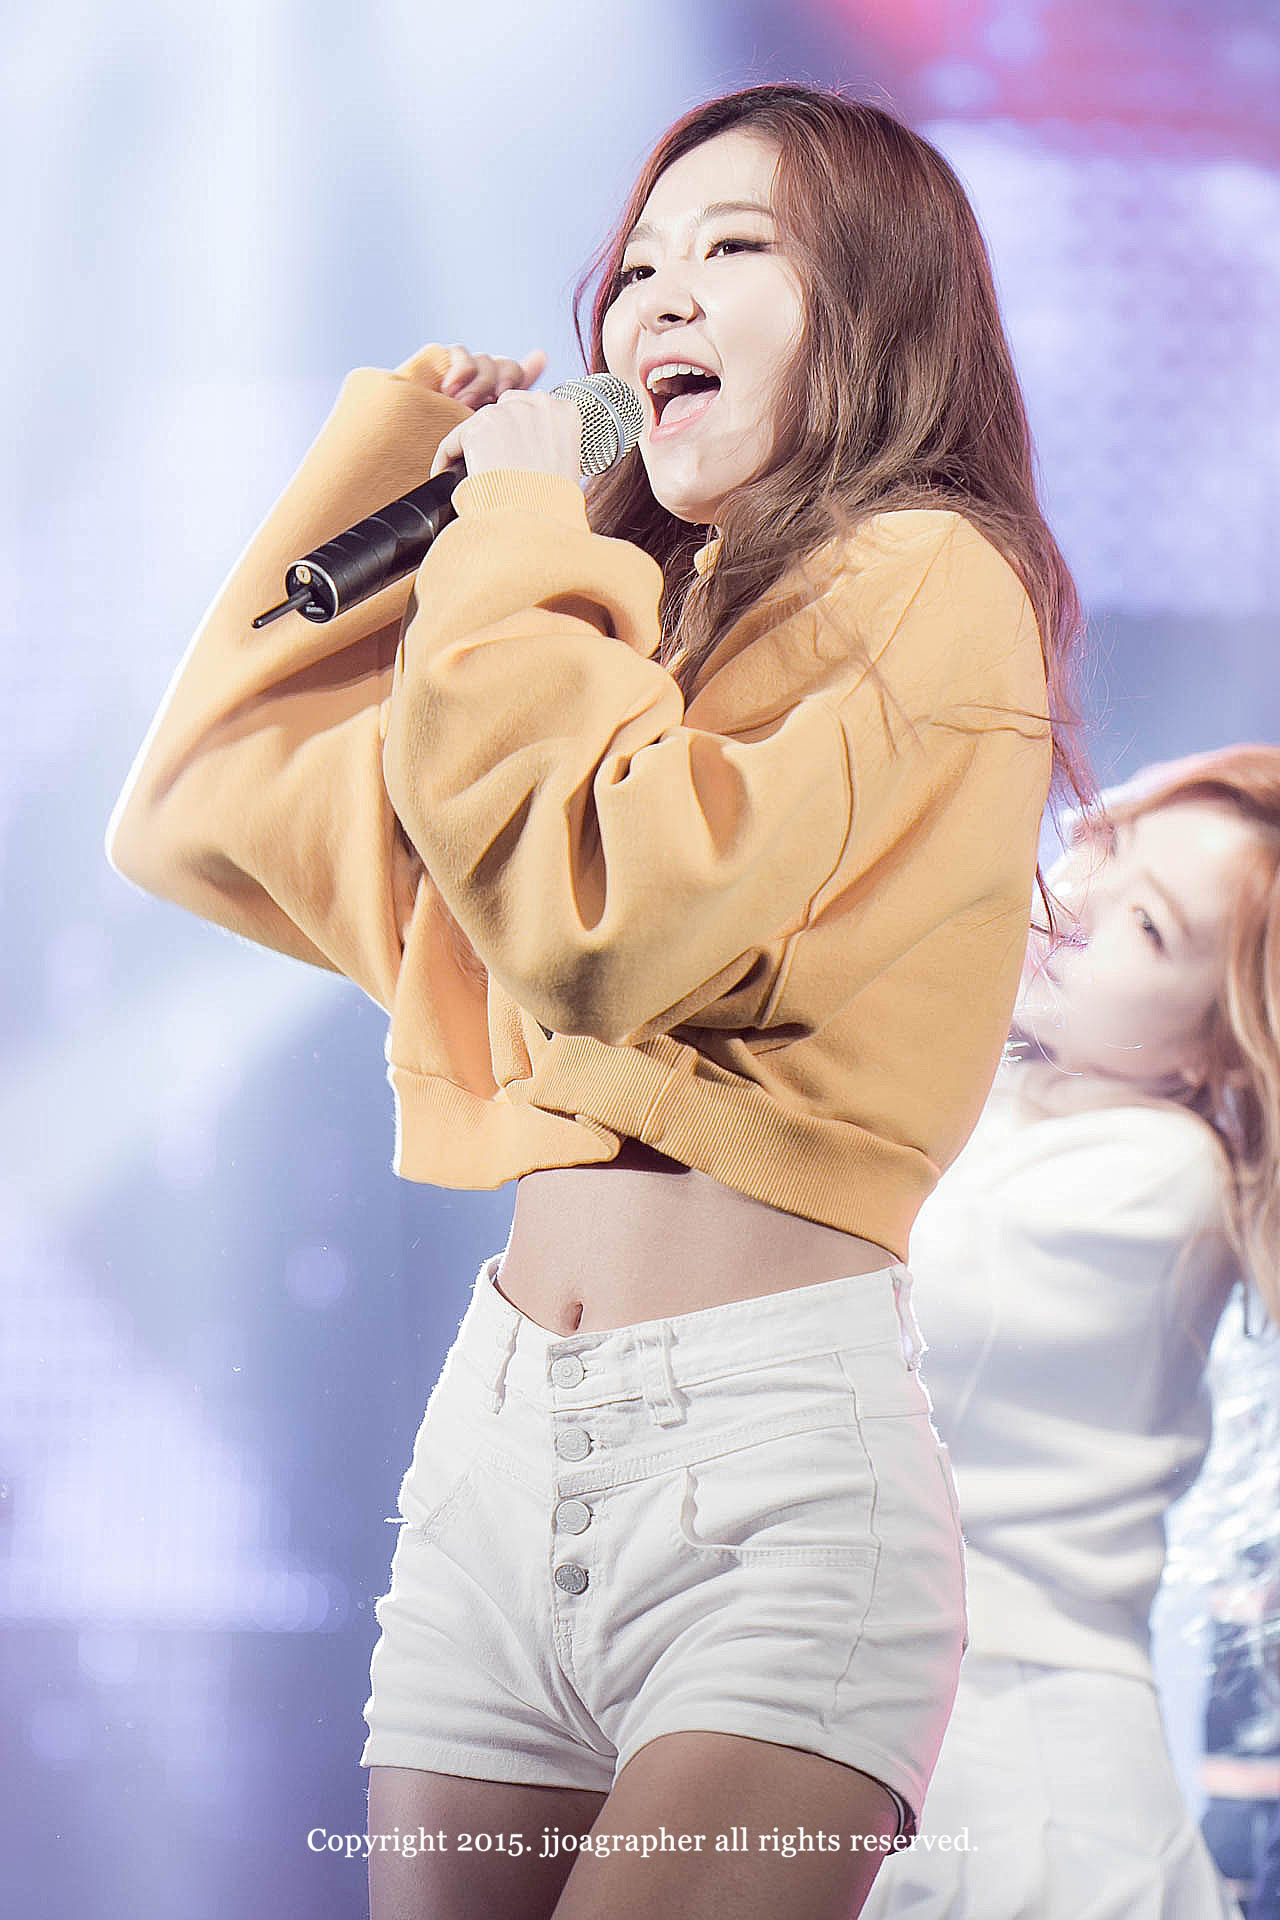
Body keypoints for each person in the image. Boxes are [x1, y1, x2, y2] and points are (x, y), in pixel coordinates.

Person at [105, 84, 1091, 1920]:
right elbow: (206, 807)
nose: (660, 299)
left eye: (737, 249)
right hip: (496, 1448)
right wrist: (415, 470)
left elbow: (605, 924)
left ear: (882, 305)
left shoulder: (928, 578)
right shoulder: (604, 632)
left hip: (765, 1476)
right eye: (636, 268)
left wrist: (519, 541)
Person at [859, 744, 1280, 1919]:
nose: (1072, 895)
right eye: (1099, 839)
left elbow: (879, 1280)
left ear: (1211, 1044)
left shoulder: (1167, 1176)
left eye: (1145, 926)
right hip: (911, 1732)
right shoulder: (992, 1084)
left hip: (1017, 1774)